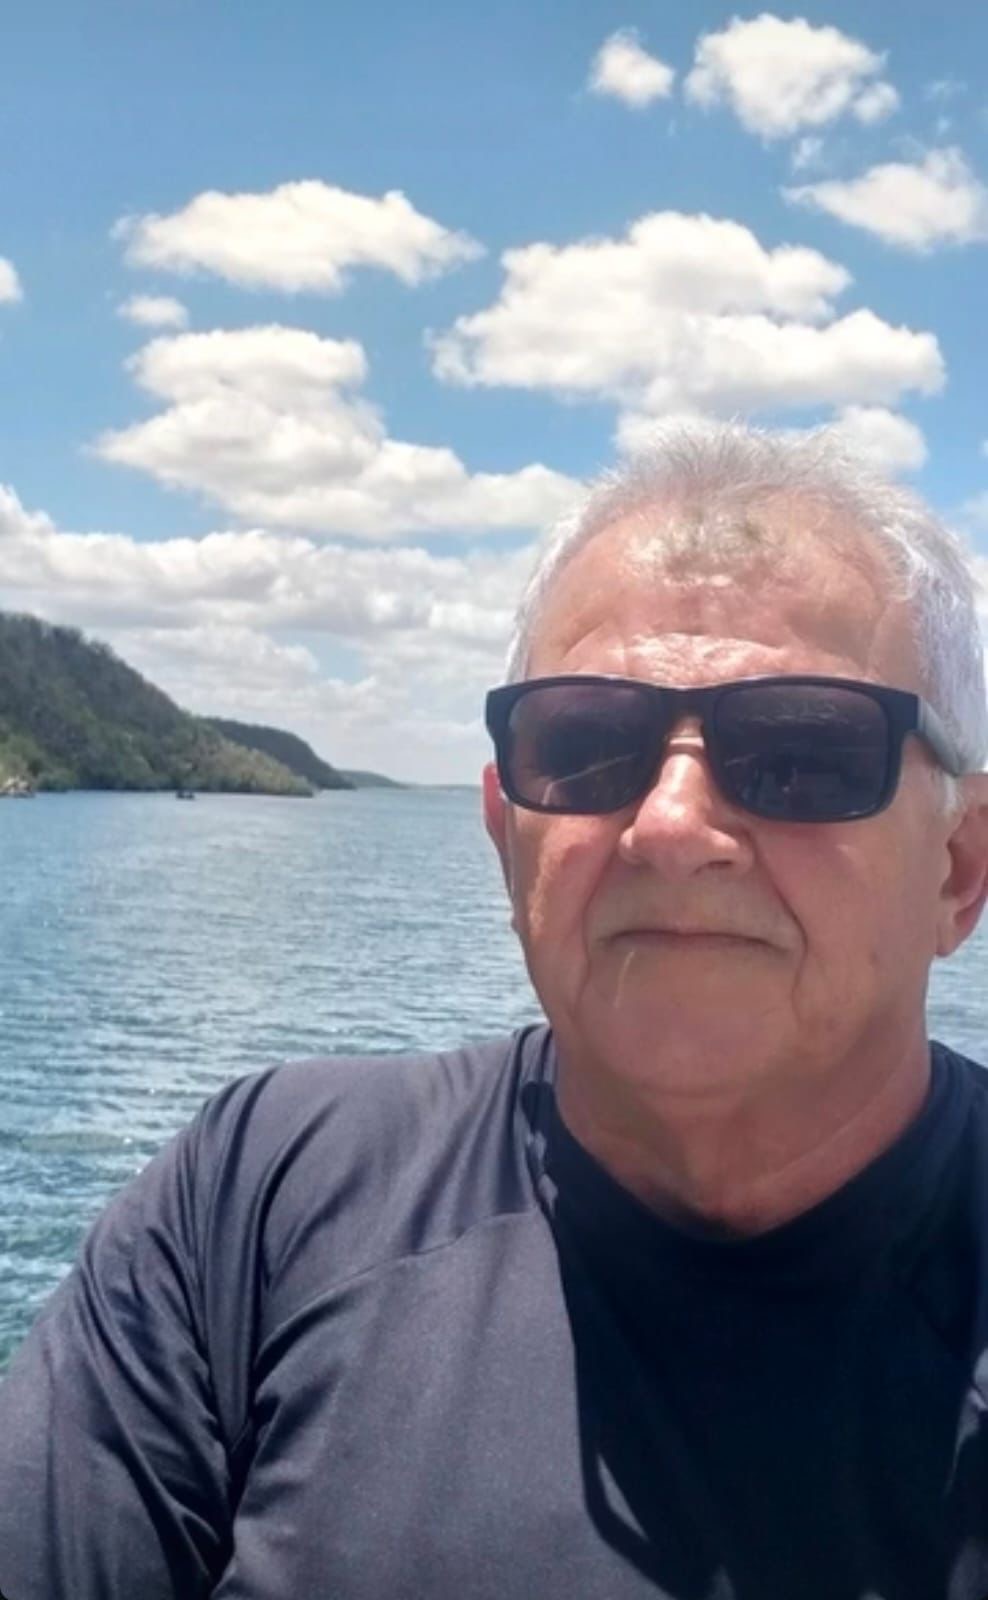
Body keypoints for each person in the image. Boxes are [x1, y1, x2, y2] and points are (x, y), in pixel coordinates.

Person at [1, 422, 987, 1600]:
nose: (672, 825)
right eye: (585, 743)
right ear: (503, 835)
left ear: (959, 864)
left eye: (800, 752)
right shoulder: (259, 1204)